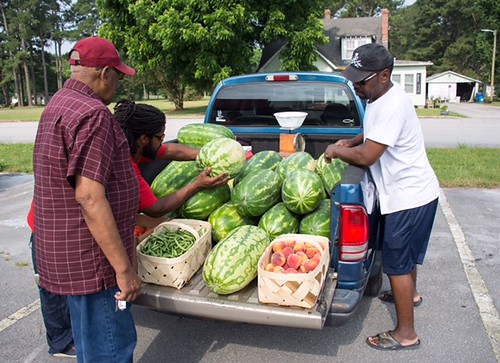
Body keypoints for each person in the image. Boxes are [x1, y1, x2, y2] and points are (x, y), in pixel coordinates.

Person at [323, 43, 440, 351]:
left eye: (361, 80)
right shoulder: (379, 95)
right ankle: (410, 295)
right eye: (354, 78)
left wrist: (337, 150)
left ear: (384, 75)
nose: (355, 85)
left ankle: (405, 334)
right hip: (413, 194)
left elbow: (368, 156)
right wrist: (351, 139)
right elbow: (372, 133)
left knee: (397, 265)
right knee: (406, 256)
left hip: (409, 197)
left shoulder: (391, 104)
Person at [32, 36, 141, 362]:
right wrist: (123, 270)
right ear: (105, 73)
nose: (118, 84)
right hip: (94, 264)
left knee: (92, 346)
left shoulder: (59, 103)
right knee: (110, 349)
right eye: (119, 76)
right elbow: (90, 198)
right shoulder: (94, 114)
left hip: (67, 255)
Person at [113, 100, 229, 217]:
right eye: (160, 137)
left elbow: (170, 150)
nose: (162, 140)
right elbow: (156, 209)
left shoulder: (133, 146)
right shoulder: (125, 166)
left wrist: (208, 155)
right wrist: (197, 185)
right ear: (144, 139)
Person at [27, 213, 75, 357]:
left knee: (67, 288)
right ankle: (62, 343)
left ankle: (73, 334)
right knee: (54, 291)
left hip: (63, 228)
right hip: (49, 230)